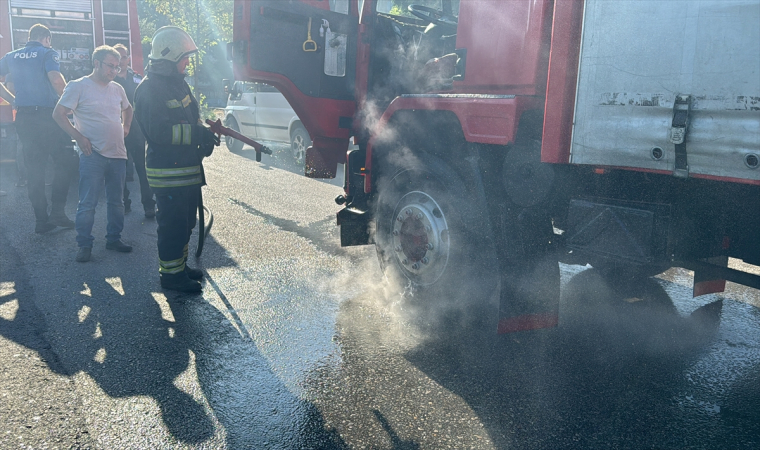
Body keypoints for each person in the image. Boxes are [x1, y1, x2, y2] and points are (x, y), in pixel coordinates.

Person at [134, 26, 219, 293]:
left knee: (186, 223)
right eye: (185, 57)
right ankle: (170, 277)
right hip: (168, 174)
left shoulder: (176, 83)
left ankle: (179, 267)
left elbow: (190, 119)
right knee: (172, 225)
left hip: (187, 169)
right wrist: (196, 133)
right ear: (170, 57)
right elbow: (159, 133)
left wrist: (203, 139)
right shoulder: (148, 90)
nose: (188, 62)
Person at [52, 46, 134, 262]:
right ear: (96, 63)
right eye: (110, 66)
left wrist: (126, 128)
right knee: (88, 202)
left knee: (117, 202)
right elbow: (58, 114)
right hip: (92, 154)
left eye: (117, 67)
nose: (114, 71)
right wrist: (78, 137)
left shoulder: (117, 88)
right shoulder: (78, 86)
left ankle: (114, 239)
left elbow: (128, 108)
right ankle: (84, 244)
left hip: (118, 154)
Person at [0, 24, 78, 233]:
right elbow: (56, 80)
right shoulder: (47, 53)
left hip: (25, 118)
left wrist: (13, 100)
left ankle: (41, 221)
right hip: (48, 117)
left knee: (35, 170)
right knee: (65, 161)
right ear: (46, 38)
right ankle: (58, 213)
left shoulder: (11, 56)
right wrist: (70, 103)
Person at [113, 43, 155, 219]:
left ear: (128, 59)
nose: (121, 61)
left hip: (136, 130)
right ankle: (125, 203)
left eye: (124, 57)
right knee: (119, 170)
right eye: (118, 57)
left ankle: (149, 205)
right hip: (116, 129)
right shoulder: (110, 79)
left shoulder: (137, 78)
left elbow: (146, 99)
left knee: (142, 169)